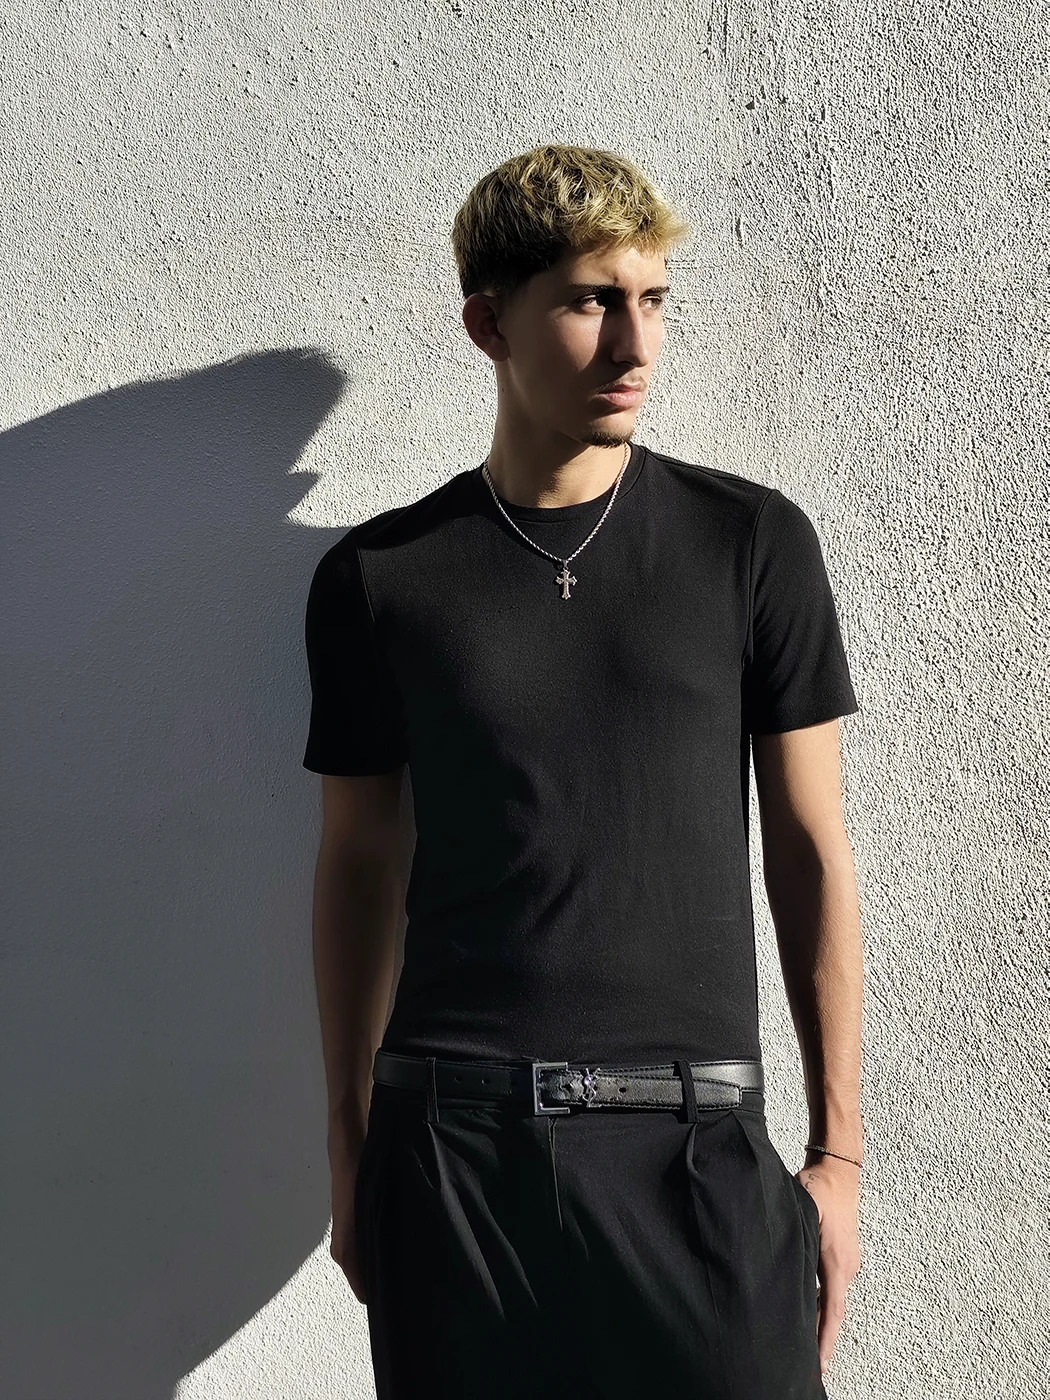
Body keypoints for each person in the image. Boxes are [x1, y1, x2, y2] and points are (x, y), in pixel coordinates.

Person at [302, 143, 865, 1399]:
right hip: (455, 1156)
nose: (636, 343)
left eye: (654, 298)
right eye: (591, 300)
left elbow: (810, 848)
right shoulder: (380, 580)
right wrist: (348, 1141)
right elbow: (357, 860)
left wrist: (839, 1152)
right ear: (487, 323)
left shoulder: (750, 544)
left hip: (698, 1154)